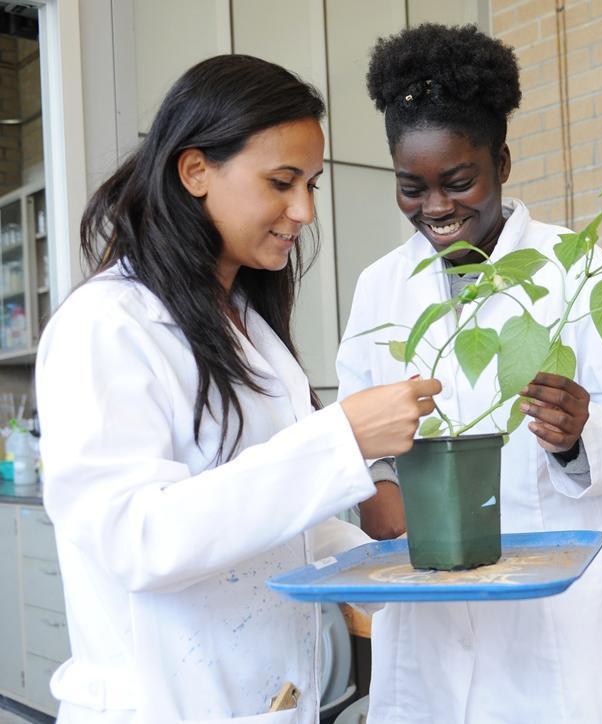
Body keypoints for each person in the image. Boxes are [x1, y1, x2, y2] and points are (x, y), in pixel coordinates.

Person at [36, 54, 440, 724]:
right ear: (195, 170)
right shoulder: (107, 325)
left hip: (264, 701)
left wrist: (398, 569)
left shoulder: (249, 329)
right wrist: (340, 438)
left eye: (310, 183)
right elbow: (136, 538)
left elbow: (283, 530)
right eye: (282, 182)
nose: (304, 210)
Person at [336, 25, 602, 724]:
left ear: (502, 162)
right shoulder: (381, 287)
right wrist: (374, 487)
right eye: (412, 188)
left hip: (552, 640)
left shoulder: (576, 271)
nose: (435, 208)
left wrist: (579, 435)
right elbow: (358, 426)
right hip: (426, 618)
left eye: (457, 181)